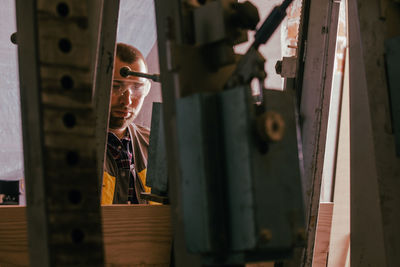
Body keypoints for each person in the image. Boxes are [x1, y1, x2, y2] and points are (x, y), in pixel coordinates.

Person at [101, 43, 151, 205]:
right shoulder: (68, 148)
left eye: (137, 88)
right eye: (116, 87)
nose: (127, 100)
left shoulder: (155, 145)